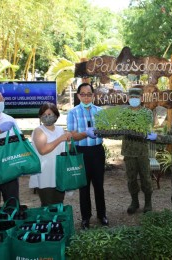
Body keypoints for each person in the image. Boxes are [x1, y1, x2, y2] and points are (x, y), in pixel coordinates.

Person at [67, 82, 108, 229]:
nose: (86, 97)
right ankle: (85, 218)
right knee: (83, 187)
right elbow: (71, 136)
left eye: (89, 94)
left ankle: (102, 215)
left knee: (99, 186)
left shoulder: (100, 111)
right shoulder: (73, 113)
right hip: (81, 153)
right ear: (78, 96)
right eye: (83, 94)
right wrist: (85, 134)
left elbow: (105, 130)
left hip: (97, 152)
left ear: (93, 95)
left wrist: (103, 131)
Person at [29, 102, 72, 206]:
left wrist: (69, 141)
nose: (46, 117)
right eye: (44, 114)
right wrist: (60, 139)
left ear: (56, 115)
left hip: (59, 173)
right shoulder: (39, 131)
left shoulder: (60, 130)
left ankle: (58, 222)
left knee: (59, 203)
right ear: (40, 116)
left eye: (49, 114)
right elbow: (42, 150)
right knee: (47, 205)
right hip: (45, 175)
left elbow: (66, 150)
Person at [121, 88, 153, 214]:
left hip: (142, 151)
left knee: (146, 177)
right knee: (131, 178)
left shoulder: (147, 112)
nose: (134, 100)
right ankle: (134, 202)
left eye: (137, 97)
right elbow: (120, 128)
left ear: (141, 98)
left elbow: (147, 128)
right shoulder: (123, 113)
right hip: (128, 151)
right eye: (132, 97)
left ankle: (148, 203)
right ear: (128, 99)